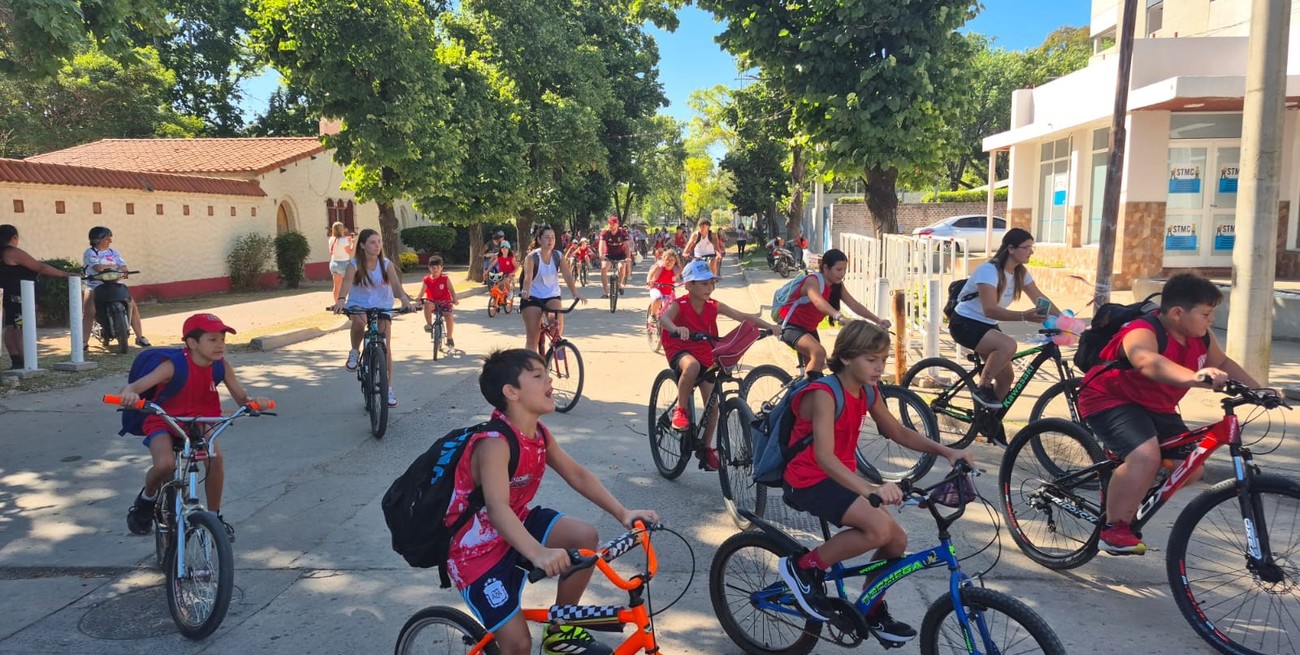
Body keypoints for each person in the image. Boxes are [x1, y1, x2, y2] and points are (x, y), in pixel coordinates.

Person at [446, 349, 659, 655]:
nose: (550, 379)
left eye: (546, 373)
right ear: (511, 392)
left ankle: (558, 634)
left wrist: (623, 513)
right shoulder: (494, 444)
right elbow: (497, 507)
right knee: (518, 644)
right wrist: (539, 553)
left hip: (515, 525)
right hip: (476, 553)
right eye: (538, 375)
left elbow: (577, 474)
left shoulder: (538, 434)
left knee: (584, 536)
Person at [777, 320, 974, 640]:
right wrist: (871, 489)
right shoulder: (824, 394)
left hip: (839, 477)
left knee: (896, 540)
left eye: (883, 359)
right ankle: (805, 567)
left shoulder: (868, 391)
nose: (880, 366)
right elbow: (825, 458)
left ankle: (870, 609)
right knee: (878, 528)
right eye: (871, 359)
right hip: (808, 477)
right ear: (845, 358)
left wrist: (947, 452)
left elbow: (896, 431)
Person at [1078, 274, 1269, 555]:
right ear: (1178, 313)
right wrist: (1195, 376)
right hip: (1109, 399)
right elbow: (1147, 361)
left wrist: (1260, 390)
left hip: (1157, 406)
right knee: (1145, 456)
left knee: (1191, 467)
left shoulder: (1201, 336)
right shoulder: (1143, 330)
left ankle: (1126, 482)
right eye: (1206, 314)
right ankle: (1114, 528)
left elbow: (1223, 361)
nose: (1210, 320)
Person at [118, 313, 271, 542]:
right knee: (165, 464)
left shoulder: (221, 366)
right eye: (212, 339)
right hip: (165, 418)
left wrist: (253, 402)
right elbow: (134, 387)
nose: (220, 345)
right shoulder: (173, 366)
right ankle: (147, 498)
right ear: (192, 343)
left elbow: (242, 398)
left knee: (215, 458)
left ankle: (214, 517)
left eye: (222, 339)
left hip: (201, 420)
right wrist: (129, 395)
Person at [658, 260, 776, 470]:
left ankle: (705, 448)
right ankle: (681, 410)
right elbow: (664, 319)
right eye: (703, 284)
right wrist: (676, 329)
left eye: (711, 283)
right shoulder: (681, 304)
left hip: (705, 352)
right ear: (689, 285)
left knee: (714, 407)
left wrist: (769, 327)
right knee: (691, 367)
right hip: (680, 348)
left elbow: (743, 317)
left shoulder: (714, 306)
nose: (709, 288)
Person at [947, 228, 1058, 409]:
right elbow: (990, 310)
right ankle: (982, 388)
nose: (1031, 251)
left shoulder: (1020, 273)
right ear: (1011, 249)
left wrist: (1065, 320)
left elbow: (1040, 298)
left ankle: (987, 418)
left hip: (987, 326)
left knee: (1006, 378)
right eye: (1026, 247)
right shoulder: (988, 271)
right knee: (1008, 345)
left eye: (1032, 247)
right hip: (965, 323)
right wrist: (1024, 316)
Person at [331, 228, 419, 408]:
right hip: (359, 303)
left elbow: (396, 285)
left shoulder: (386, 264)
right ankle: (354, 351)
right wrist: (341, 300)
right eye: (372, 242)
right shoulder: (354, 265)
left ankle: (388, 388)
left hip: (382, 305)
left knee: (385, 346)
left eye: (379, 241)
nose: (377, 245)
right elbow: (346, 283)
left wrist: (404, 301)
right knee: (358, 321)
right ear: (362, 245)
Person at [777, 249, 891, 376]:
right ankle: (805, 394)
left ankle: (808, 389)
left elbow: (854, 305)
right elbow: (818, 302)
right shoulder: (813, 281)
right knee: (819, 353)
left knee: (816, 369)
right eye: (838, 269)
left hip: (809, 329)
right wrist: (839, 316)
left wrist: (878, 320)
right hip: (790, 325)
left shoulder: (837, 285)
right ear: (826, 268)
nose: (842, 274)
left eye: (844, 270)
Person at [0, 224, 75, 369]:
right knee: (21, 327)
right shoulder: (12, 252)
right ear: (14, 237)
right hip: (21, 296)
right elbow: (39, 267)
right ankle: (27, 361)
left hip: (9, 295)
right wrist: (65, 274)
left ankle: (16, 360)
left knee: (11, 326)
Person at [82, 226, 151, 351]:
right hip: (95, 285)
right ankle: (83, 342)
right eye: (107, 239)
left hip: (115, 283)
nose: (110, 242)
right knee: (89, 311)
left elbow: (123, 266)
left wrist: (122, 270)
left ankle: (140, 337)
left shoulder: (114, 252)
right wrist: (115, 267)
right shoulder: (90, 253)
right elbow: (98, 267)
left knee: (132, 307)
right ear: (97, 240)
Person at [520, 225, 585, 353]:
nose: (550, 240)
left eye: (553, 237)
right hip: (532, 297)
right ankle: (530, 366)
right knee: (533, 337)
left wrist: (575, 293)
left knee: (555, 323)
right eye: (547, 237)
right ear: (539, 239)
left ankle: (556, 346)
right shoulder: (532, 257)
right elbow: (528, 278)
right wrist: (525, 292)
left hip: (551, 295)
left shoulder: (558, 256)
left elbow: (567, 274)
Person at [418, 256, 458, 348]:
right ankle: (429, 325)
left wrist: (455, 299)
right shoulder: (426, 280)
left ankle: (449, 337)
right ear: (429, 268)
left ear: (441, 268)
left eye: (437, 268)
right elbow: (421, 292)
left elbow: (452, 290)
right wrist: (418, 300)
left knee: (449, 316)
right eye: (433, 268)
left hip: (445, 302)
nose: (435, 270)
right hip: (433, 302)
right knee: (427, 305)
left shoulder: (445, 279)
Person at [598, 216, 631, 299]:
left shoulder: (623, 232)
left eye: (612, 224)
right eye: (609, 223)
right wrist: (601, 255)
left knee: (621, 267)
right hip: (608, 253)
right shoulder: (605, 232)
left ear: (617, 224)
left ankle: (619, 284)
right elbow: (601, 245)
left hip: (620, 254)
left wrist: (628, 257)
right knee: (603, 268)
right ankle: (606, 292)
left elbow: (627, 246)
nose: (610, 225)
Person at [645, 249, 681, 321]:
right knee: (658, 298)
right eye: (667, 259)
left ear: (675, 261)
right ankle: (653, 315)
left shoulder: (676, 269)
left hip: (668, 290)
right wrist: (649, 281)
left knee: (675, 306)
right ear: (663, 259)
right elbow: (650, 274)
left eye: (672, 260)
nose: (669, 262)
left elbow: (684, 276)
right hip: (656, 288)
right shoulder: (659, 267)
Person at [328, 221, 355, 303]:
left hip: (334, 263)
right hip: (344, 263)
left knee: (337, 286)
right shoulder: (343, 240)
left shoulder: (331, 239)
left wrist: (346, 240)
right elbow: (350, 251)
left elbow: (338, 243)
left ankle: (337, 304)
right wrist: (353, 243)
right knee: (349, 284)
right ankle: (350, 301)